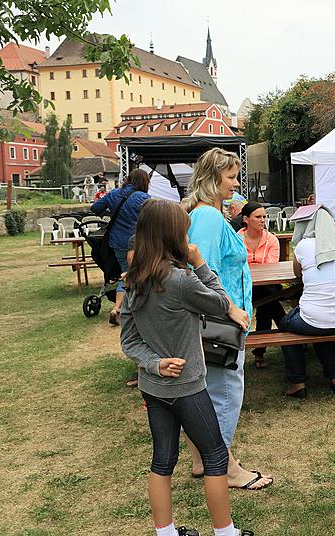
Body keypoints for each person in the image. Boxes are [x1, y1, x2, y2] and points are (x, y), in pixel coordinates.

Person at [119, 199, 252, 536]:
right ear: (173, 235)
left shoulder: (133, 280)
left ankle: (165, 532)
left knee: (162, 460)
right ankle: (225, 532)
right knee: (215, 457)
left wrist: (154, 364)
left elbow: (129, 340)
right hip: (188, 387)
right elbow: (221, 302)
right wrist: (201, 263)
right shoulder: (180, 280)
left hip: (153, 386)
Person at [182, 147, 272, 491]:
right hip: (220, 321)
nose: (236, 183)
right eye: (231, 177)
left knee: (210, 389)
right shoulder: (207, 217)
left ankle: (201, 459)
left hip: (218, 317)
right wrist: (228, 311)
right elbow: (201, 269)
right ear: (212, 178)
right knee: (224, 392)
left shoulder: (208, 213)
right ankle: (227, 466)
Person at [280, 206, 335, 397]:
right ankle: (334, 377)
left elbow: (298, 274)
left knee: (286, 325)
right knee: (321, 320)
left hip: (316, 319)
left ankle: (298, 381)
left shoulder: (304, 246)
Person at [90, 168, 151, 327]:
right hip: (137, 242)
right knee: (139, 273)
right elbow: (154, 217)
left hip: (116, 241)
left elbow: (95, 209)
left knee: (126, 272)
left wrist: (110, 211)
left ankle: (119, 307)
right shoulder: (144, 198)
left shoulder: (114, 193)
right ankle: (120, 308)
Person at [237, 202, 284, 370]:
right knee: (270, 303)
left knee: (266, 302)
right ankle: (286, 332)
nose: (263, 220)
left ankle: (260, 351)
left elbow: (271, 266)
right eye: (258, 217)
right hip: (243, 285)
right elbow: (236, 265)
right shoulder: (236, 239)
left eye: (264, 216)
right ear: (245, 219)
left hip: (267, 284)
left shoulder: (271, 239)